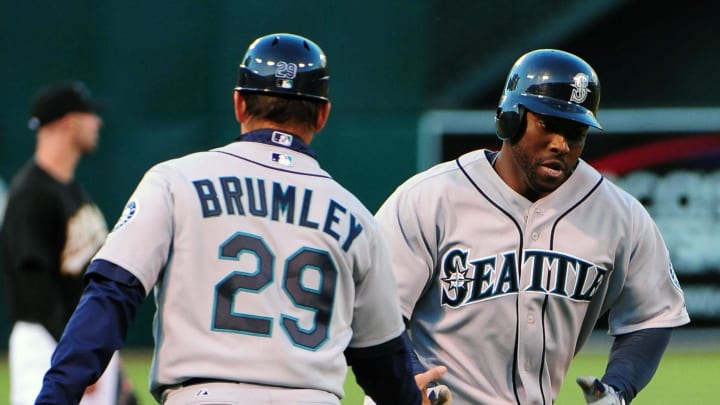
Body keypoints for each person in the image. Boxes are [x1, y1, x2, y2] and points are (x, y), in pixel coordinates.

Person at [34, 33, 446, 405]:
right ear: (322, 115)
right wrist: (410, 398)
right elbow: (381, 357)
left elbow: (111, 295)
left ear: (239, 103)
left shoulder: (175, 180)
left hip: (203, 395)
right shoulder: (357, 217)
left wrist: (56, 396)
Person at [373, 49, 690, 405]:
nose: (562, 144)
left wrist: (619, 388)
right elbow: (377, 309)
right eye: (549, 124)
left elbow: (654, 313)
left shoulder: (619, 214)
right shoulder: (430, 197)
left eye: (576, 131)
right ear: (510, 118)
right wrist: (406, 376)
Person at [1, 81, 138, 404]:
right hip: (49, 343)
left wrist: (107, 362)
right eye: (89, 115)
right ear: (67, 122)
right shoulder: (30, 194)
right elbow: (31, 286)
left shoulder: (71, 190)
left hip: (80, 342)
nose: (97, 123)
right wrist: (74, 352)